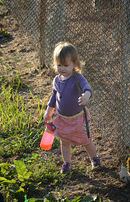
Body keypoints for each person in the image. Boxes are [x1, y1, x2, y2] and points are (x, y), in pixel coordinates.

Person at [44, 42, 101, 173]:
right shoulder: (57, 80)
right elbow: (54, 96)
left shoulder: (77, 78)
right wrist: (49, 111)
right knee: (64, 141)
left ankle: (95, 159)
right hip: (62, 118)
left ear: (74, 64)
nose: (62, 68)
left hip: (78, 118)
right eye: (59, 65)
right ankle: (67, 163)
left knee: (86, 140)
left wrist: (86, 95)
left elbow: (87, 87)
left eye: (66, 65)